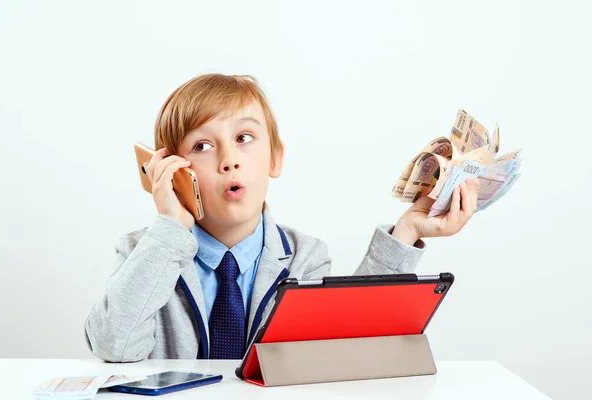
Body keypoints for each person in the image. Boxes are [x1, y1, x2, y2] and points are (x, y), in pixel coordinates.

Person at [85, 73, 479, 361]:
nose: (228, 161)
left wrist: (407, 229)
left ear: (275, 158)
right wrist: (170, 230)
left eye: (244, 138)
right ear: (172, 171)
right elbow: (113, 345)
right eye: (202, 145)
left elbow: (342, 347)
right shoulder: (145, 252)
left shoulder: (305, 257)